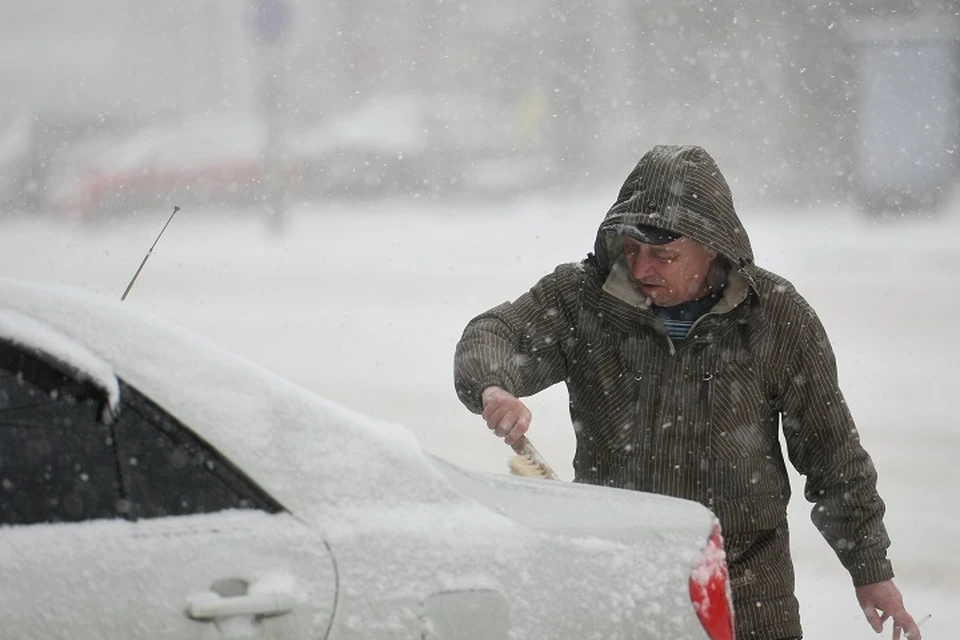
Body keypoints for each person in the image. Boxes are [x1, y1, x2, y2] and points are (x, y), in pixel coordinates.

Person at [453, 145, 920, 640]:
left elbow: (832, 455)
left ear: (711, 245)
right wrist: (492, 386)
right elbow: (493, 333)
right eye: (631, 249)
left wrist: (870, 569)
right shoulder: (583, 300)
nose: (641, 269)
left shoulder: (776, 317)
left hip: (748, 597)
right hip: (618, 587)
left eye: (663, 255)